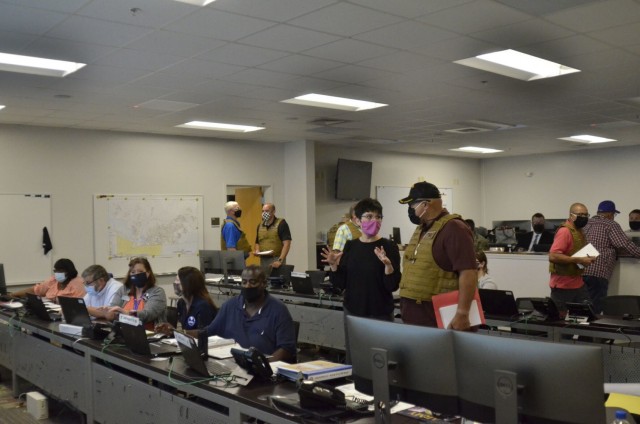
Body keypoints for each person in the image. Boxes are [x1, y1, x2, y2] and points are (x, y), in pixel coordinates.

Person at [322, 198, 401, 361]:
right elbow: (341, 284)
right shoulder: (351, 246)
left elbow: (392, 286)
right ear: (357, 220)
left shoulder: (388, 246)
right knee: (355, 356)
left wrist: (388, 267)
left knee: (379, 358)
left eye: (378, 217)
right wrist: (334, 266)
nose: (375, 220)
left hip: (380, 312)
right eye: (369, 216)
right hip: (353, 311)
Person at [397, 182, 477, 330]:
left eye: (412, 205)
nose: (410, 210)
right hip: (417, 317)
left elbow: (469, 272)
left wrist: (462, 313)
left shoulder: (454, 228)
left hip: (438, 316)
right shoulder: (422, 228)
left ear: (425, 205)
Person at [201, 265, 296, 362]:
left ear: (264, 284)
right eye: (244, 282)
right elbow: (208, 332)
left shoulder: (278, 310)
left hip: (264, 369)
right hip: (232, 365)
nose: (247, 286)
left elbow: (286, 349)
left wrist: (264, 366)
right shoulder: (230, 305)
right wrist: (186, 335)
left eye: (253, 282)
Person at [582, 201, 640, 313]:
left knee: (583, 306)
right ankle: (594, 329)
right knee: (596, 307)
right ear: (610, 214)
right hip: (598, 272)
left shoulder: (586, 224)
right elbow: (625, 244)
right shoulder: (610, 224)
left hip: (580, 269)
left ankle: (580, 329)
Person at [548, 203, 597, 313]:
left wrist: (587, 258)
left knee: (587, 316)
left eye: (586, 215)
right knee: (560, 321)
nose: (584, 218)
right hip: (562, 286)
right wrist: (579, 260)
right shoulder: (564, 231)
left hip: (578, 283)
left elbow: (574, 253)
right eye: (580, 215)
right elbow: (553, 256)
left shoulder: (579, 231)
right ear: (571, 216)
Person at [107, 257, 167, 330]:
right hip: (124, 332)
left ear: (148, 273)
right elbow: (114, 308)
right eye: (133, 272)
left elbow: (147, 315)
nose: (136, 274)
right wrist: (108, 312)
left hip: (149, 335)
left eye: (140, 271)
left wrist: (127, 313)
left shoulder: (157, 292)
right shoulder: (124, 290)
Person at [155, 266, 218, 335]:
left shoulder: (203, 306)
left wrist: (177, 332)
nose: (175, 283)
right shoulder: (181, 303)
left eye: (178, 280)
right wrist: (171, 330)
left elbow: (205, 333)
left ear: (188, 284)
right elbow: (186, 331)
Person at [11, 258, 85, 302]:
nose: (57, 273)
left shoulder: (79, 284)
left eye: (60, 271)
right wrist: (13, 295)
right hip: (49, 312)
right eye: (56, 271)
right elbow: (35, 290)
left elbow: (78, 305)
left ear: (69, 271)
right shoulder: (53, 280)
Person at [254, 203, 292, 275]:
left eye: (267, 211)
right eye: (263, 211)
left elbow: (287, 244)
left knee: (277, 282)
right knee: (264, 281)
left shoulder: (281, 224)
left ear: (273, 211)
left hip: (276, 258)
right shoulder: (260, 225)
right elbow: (257, 242)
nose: (264, 213)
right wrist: (257, 250)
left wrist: (280, 260)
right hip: (263, 260)